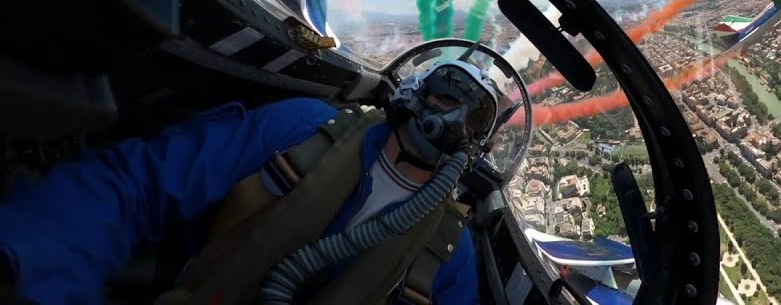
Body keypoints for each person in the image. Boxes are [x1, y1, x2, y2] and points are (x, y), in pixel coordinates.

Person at [0, 58, 508, 304]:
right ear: (416, 92)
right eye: (448, 96)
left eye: (475, 117)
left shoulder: (448, 250)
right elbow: (136, 186)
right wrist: (32, 269)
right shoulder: (300, 130)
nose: (455, 119)